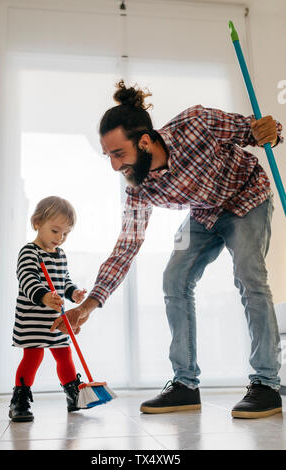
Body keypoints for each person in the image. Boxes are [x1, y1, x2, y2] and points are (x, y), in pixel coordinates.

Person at [51, 80, 283, 419]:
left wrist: (271, 131)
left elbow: (256, 131)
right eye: (109, 156)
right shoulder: (139, 187)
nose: (115, 166)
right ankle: (185, 384)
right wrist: (88, 305)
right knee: (174, 278)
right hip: (204, 214)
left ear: (144, 141)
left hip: (247, 198)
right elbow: (126, 246)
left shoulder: (197, 123)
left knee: (250, 276)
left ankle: (266, 384)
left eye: (119, 154)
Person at [9, 196, 87, 422]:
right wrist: (44, 296)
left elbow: (64, 281)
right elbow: (27, 279)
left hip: (55, 320)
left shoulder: (60, 255)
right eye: (55, 231)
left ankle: (73, 394)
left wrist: (73, 293)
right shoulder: (29, 252)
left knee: (64, 355)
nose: (60, 238)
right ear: (37, 223)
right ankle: (20, 400)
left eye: (65, 234)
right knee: (33, 356)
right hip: (32, 319)